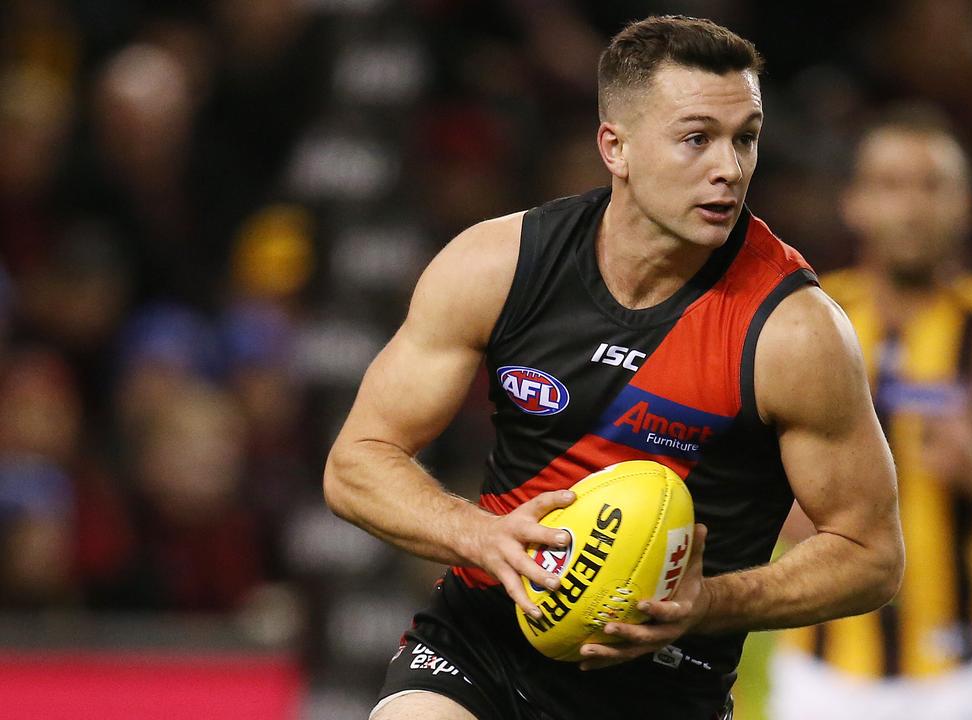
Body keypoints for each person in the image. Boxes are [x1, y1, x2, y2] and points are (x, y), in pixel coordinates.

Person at [323, 15, 904, 720]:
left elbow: (871, 554)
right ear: (615, 146)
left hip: (660, 691)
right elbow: (355, 462)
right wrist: (478, 535)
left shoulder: (792, 331)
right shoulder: (499, 264)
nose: (729, 167)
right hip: (481, 647)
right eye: (697, 138)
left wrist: (708, 603)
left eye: (745, 138)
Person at [768, 105, 972, 720]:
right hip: (819, 671)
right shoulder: (802, 319)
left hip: (958, 677)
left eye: (932, 186)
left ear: (966, 206)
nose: (912, 208)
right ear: (855, 203)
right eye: (891, 186)